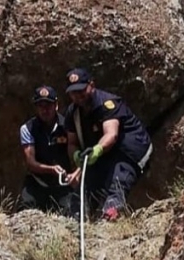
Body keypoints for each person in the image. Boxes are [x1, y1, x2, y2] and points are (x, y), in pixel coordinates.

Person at [63, 68, 152, 222]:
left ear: (91, 85)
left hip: (129, 150)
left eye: (81, 90)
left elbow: (111, 134)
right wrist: (76, 155)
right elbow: (71, 142)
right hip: (104, 153)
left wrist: (97, 150)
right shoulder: (73, 113)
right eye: (73, 93)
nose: (78, 96)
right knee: (85, 188)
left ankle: (109, 219)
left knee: (117, 183)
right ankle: (75, 219)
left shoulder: (107, 104)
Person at [17, 85, 77, 217]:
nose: (45, 110)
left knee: (72, 213)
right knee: (25, 213)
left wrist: (75, 173)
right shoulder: (27, 128)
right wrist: (51, 169)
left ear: (56, 105)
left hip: (62, 184)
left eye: (48, 105)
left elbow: (77, 151)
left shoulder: (68, 126)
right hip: (37, 183)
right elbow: (30, 162)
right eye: (40, 106)